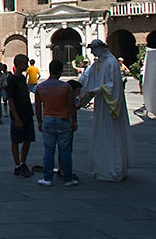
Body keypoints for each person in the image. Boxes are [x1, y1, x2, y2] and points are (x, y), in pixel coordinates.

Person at [78, 39, 135, 181]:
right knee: (101, 132)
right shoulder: (99, 63)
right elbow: (87, 77)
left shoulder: (111, 62)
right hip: (101, 103)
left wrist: (98, 89)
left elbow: (114, 84)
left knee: (110, 132)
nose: (91, 52)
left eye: (93, 49)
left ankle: (114, 167)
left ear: (100, 48)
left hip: (109, 104)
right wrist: (77, 87)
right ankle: (102, 166)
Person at [35, 59, 78, 187]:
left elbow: (37, 106)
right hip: (63, 119)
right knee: (65, 150)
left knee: (49, 150)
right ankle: (68, 178)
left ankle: (47, 178)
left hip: (47, 119)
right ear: (60, 71)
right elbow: (71, 105)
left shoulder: (40, 87)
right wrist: (74, 121)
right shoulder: (65, 87)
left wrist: (39, 121)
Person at [7, 54, 35, 177]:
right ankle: (17, 164)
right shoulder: (11, 80)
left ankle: (23, 162)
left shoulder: (23, 78)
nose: (27, 65)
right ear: (18, 64)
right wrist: (16, 118)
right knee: (16, 140)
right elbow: (11, 100)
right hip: (18, 114)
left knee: (27, 139)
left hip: (27, 112)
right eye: (25, 63)